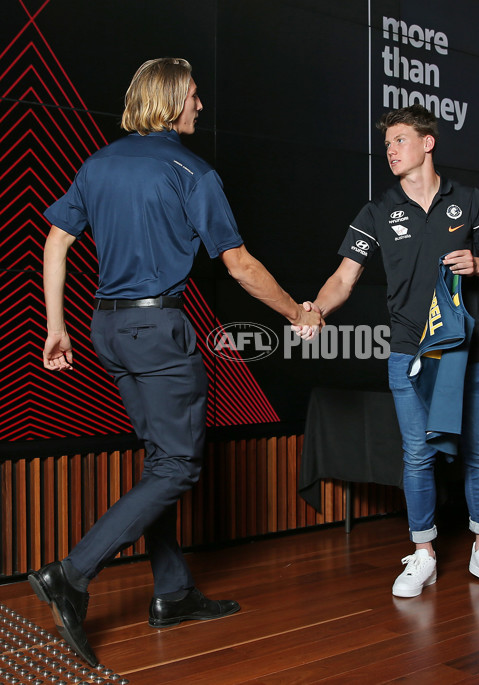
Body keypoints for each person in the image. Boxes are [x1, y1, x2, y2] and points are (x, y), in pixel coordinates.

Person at [29, 57, 322, 666]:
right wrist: (297, 313)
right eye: (193, 96)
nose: (200, 106)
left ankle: (173, 592)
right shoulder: (193, 171)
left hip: (105, 327)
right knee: (177, 469)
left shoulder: (99, 163)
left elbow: (56, 241)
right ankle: (71, 573)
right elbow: (238, 265)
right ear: (169, 101)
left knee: (158, 461)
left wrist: (57, 327)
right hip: (157, 329)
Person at [294, 105, 479, 599]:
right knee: (418, 456)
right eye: (388, 143)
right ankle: (424, 555)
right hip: (406, 353)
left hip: (466, 354)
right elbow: (342, 279)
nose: (391, 150)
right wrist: (317, 310)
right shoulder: (378, 211)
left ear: (427, 143)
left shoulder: (471, 200)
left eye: (399, 140)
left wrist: (478, 265)